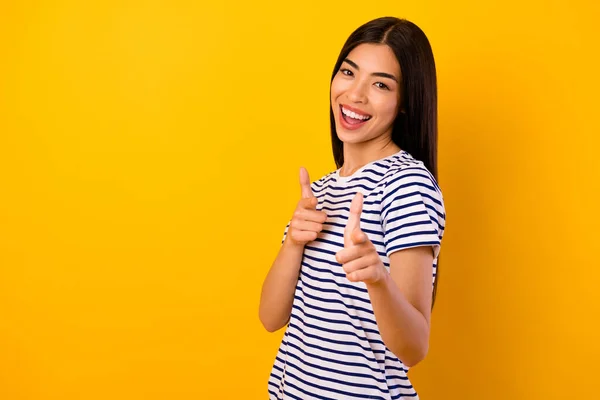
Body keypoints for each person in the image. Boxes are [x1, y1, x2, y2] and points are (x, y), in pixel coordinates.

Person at [259, 16, 446, 400]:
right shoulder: (323, 190)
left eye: (380, 84)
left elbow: (415, 347)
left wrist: (378, 279)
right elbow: (270, 318)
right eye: (348, 72)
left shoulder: (406, 185)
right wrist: (293, 242)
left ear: (406, 102)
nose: (355, 95)